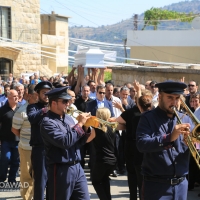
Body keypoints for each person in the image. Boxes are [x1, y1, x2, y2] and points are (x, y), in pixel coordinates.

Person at [136, 81, 194, 200]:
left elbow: (195, 145)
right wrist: (169, 138)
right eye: (170, 98)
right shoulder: (147, 118)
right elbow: (141, 144)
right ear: (160, 97)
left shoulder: (186, 118)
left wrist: (194, 143)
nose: (174, 102)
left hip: (181, 185)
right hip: (156, 186)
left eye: (177, 98)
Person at [40, 86, 92, 200]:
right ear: (53, 103)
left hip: (77, 167)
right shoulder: (47, 122)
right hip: (60, 170)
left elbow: (79, 141)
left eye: (68, 101)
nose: (68, 104)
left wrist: (86, 127)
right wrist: (79, 124)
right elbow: (65, 142)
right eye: (64, 101)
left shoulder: (68, 118)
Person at [111, 92, 153, 200]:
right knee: (143, 177)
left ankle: (133, 197)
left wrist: (126, 126)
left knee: (132, 175)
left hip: (131, 147)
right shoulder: (153, 115)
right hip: (145, 148)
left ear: (138, 104)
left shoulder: (130, 113)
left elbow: (117, 123)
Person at [27, 81, 52, 200]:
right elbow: (32, 118)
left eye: (48, 93)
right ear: (37, 94)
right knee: (40, 182)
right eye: (44, 93)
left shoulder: (54, 108)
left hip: (53, 148)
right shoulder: (32, 107)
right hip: (40, 149)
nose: (46, 95)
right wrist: (45, 110)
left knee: (53, 183)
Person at [11, 85, 38, 199]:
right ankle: (27, 197)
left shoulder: (43, 109)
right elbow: (14, 130)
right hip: (26, 148)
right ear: (31, 96)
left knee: (39, 175)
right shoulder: (21, 111)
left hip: (40, 148)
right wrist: (26, 138)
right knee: (26, 174)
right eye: (38, 94)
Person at [89, 108, 117, 200]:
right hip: (112, 160)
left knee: (95, 181)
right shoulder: (112, 127)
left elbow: (87, 140)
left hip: (102, 160)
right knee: (104, 180)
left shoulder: (96, 129)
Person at [0, 90, 19, 183]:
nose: (17, 97)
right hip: (5, 140)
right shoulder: (2, 110)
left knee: (16, 161)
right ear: (8, 97)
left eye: (17, 95)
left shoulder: (21, 108)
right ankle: (2, 178)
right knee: (5, 159)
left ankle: (12, 179)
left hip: (18, 140)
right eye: (14, 96)